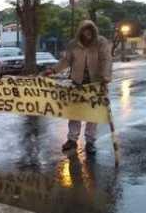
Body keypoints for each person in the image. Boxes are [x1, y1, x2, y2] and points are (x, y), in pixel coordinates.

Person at [45, 20, 112, 154]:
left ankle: (90, 142)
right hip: (77, 83)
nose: (88, 34)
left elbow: (106, 59)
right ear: (80, 32)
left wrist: (105, 76)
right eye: (85, 31)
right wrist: (53, 70)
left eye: (90, 31)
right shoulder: (73, 44)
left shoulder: (101, 42)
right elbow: (66, 60)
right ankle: (72, 140)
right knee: (75, 113)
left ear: (94, 31)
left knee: (93, 115)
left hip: (95, 84)